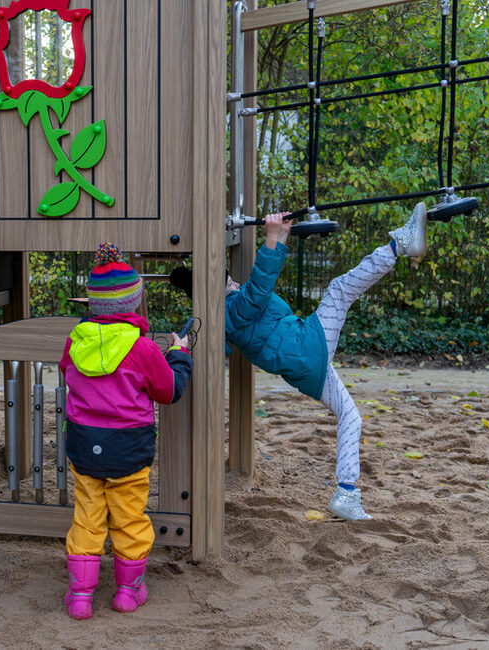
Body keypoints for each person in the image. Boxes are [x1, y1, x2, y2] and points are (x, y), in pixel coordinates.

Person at [225, 204, 428, 520]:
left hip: (306, 366)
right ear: (216, 292)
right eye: (229, 285)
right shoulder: (234, 309)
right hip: (307, 348)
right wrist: (270, 239)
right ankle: (401, 244)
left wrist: (280, 234)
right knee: (339, 290)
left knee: (351, 416)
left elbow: (259, 298)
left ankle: (347, 493)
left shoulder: (233, 315)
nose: (236, 286)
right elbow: (260, 286)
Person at [58, 243, 193, 620]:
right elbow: (167, 391)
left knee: (87, 516)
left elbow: (66, 371)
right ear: (134, 303)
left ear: (92, 303)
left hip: (85, 444)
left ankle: (81, 595)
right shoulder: (143, 348)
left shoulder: (75, 340)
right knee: (129, 517)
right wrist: (180, 355)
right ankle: (127, 591)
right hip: (129, 449)